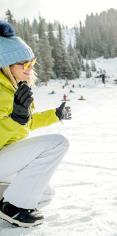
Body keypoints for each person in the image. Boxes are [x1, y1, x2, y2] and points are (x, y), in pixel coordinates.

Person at [0, 21, 72, 227]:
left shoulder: (14, 88)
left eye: (32, 62)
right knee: (58, 143)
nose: (30, 68)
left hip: (4, 155)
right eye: (24, 63)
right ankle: (13, 208)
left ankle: (10, 200)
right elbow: (16, 123)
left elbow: (26, 124)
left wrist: (55, 115)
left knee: (45, 193)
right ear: (5, 65)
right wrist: (15, 119)